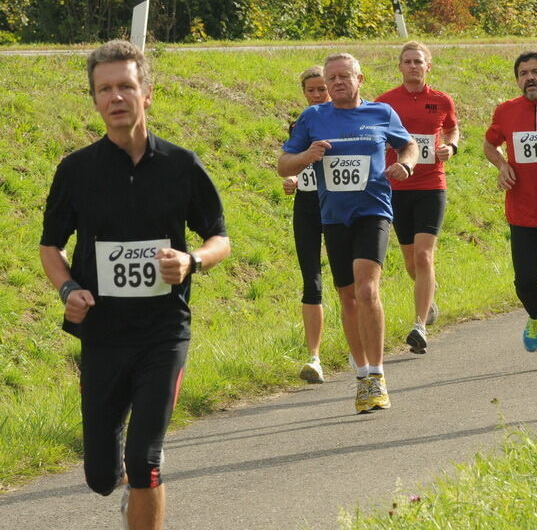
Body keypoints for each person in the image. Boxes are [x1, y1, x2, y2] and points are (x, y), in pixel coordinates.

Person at [39, 40, 231, 530]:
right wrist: (67, 290)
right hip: (102, 334)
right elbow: (50, 249)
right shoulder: (76, 170)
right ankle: (129, 490)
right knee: (103, 475)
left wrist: (192, 260)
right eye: (105, 89)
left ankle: (143, 492)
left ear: (147, 93)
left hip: (163, 332)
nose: (116, 97)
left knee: (145, 461)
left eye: (126, 85)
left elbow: (220, 239)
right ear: (95, 100)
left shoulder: (181, 166)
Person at [278, 53, 417, 414]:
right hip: (333, 217)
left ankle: (377, 374)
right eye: (331, 78)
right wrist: (306, 155)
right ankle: (361, 374)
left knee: (367, 287)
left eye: (344, 76)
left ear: (360, 79)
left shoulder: (381, 113)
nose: (337, 82)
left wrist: (405, 164)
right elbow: (283, 165)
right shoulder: (313, 118)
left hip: (373, 211)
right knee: (348, 296)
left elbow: (409, 145)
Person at [483, 51, 537, 370]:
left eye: (535, 72)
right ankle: (536, 314)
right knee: (524, 282)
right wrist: (502, 164)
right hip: (521, 212)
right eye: (522, 73)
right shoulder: (506, 111)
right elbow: (489, 143)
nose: (529, 78)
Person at [375, 41, 459, 355]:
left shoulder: (441, 100)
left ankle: (419, 325)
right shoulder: (385, 103)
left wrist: (450, 147)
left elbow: (452, 130)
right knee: (411, 261)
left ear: (428, 66)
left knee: (424, 256)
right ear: (400, 67)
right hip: (396, 189)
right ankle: (429, 297)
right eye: (408, 61)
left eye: (418, 61)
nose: (413, 66)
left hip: (431, 185)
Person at [282, 66, 332, 383]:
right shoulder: (300, 124)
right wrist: (293, 178)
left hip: (341, 206)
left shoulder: (346, 121)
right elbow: (292, 162)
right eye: (311, 91)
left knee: (348, 281)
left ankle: (362, 347)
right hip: (308, 205)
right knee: (311, 281)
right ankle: (314, 357)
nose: (316, 96)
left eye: (321, 90)